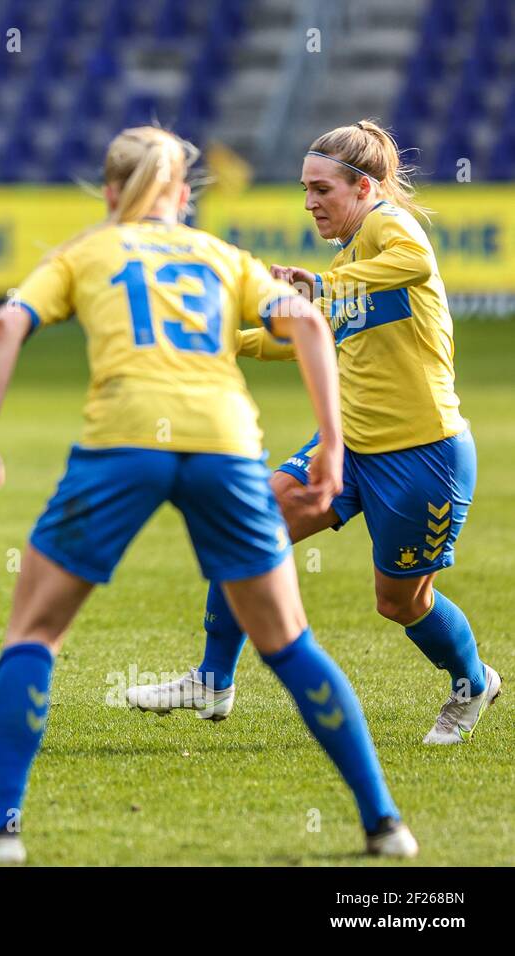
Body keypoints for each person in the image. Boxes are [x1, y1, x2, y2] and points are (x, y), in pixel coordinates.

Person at [0, 126, 416, 862]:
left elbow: (6, 331)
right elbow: (310, 321)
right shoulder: (221, 255)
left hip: (122, 442)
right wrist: (331, 445)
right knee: (288, 641)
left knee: (34, 632)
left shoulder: (85, 250)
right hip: (224, 442)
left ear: (111, 193)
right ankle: (385, 825)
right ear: (183, 198)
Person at [128, 120, 498, 745]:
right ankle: (213, 679)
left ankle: (473, 681)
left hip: (424, 455)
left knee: (400, 604)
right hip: (351, 448)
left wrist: (323, 285)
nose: (310, 203)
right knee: (247, 525)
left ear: (363, 186)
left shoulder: (385, 226)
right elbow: (301, 335)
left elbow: (415, 260)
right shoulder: (348, 259)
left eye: (321, 189)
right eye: (304, 189)